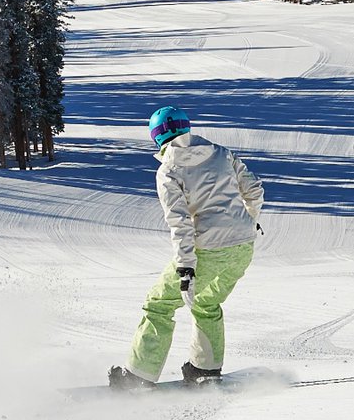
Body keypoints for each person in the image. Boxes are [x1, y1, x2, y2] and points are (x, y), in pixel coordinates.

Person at [111, 107, 263, 390]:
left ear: (157, 137)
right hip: (243, 246)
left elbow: (179, 222)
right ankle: (205, 370)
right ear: (186, 127)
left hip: (207, 250)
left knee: (158, 304)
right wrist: (247, 222)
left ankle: (138, 377)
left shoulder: (169, 170)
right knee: (207, 304)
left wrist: (185, 267)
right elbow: (254, 189)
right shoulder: (221, 153)